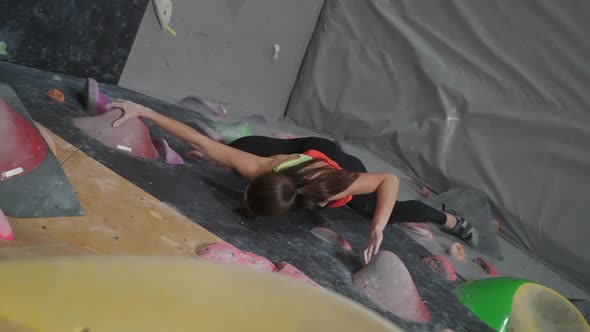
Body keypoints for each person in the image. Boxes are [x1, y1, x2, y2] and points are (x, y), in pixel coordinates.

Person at [107, 100, 479, 264]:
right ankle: (258, 147)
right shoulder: (255, 166)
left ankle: (449, 220)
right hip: (307, 148)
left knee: (386, 211)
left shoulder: (337, 186)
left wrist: (378, 229)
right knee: (234, 148)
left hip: (334, 160)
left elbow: (388, 180)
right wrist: (145, 111)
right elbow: (200, 141)